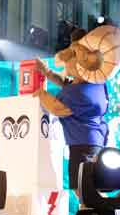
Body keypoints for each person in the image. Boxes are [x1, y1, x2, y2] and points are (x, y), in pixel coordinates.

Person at [34, 28, 111, 201]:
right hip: (95, 141)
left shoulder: (77, 93)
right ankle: (102, 212)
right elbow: (68, 83)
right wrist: (47, 72)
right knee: (90, 186)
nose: (67, 66)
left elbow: (57, 107)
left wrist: (41, 94)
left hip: (81, 145)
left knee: (82, 188)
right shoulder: (97, 84)